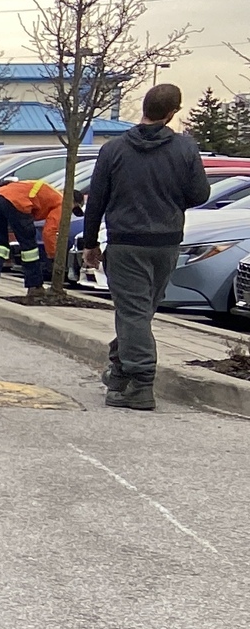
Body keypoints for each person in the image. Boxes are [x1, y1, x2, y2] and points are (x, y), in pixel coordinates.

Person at [78, 81, 211, 411]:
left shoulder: (114, 149)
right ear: (171, 113)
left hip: (126, 243)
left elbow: (97, 201)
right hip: (166, 243)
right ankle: (121, 368)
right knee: (140, 311)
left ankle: (140, 382)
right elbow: (200, 194)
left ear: (144, 108)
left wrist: (90, 243)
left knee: (133, 312)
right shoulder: (185, 149)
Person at [0, 174, 63, 303]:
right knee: (29, 248)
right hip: (17, 203)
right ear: (73, 202)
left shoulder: (45, 190)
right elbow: (49, 232)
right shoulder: (61, 202)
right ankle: (35, 286)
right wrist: (53, 256)